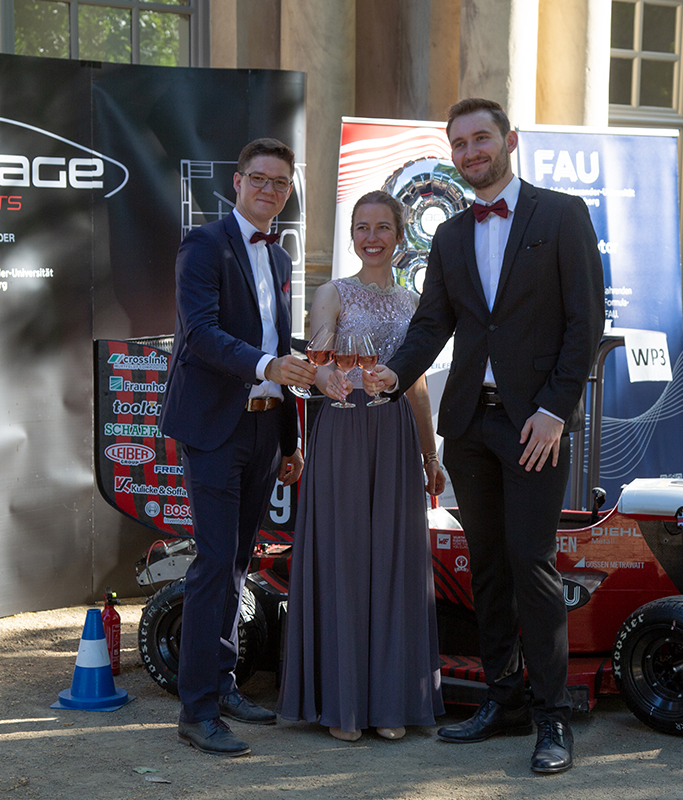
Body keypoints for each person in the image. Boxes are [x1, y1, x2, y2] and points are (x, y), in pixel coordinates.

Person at [366, 98, 604, 774]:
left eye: (481, 139)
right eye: (460, 143)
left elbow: (585, 323)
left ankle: (552, 718)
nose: (470, 152)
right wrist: (390, 376)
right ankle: (505, 701)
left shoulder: (562, 215)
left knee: (532, 565)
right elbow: (431, 325)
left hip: (535, 425)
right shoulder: (448, 235)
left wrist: (555, 409)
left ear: (510, 140)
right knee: (489, 567)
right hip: (470, 422)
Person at [159, 137, 317, 757]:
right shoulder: (203, 244)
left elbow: (278, 345)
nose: (269, 191)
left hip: (263, 429)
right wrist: (268, 366)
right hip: (215, 428)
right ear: (237, 181)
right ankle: (196, 711)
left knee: (238, 564)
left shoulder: (278, 258)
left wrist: (289, 439)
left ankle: (222, 684)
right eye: (260, 179)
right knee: (215, 562)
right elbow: (199, 334)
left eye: (280, 183)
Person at [276, 191, 446, 742]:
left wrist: (430, 454)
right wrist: (334, 378)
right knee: (345, 559)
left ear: (400, 235)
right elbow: (317, 367)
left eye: (382, 227)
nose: (372, 237)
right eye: (361, 228)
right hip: (344, 431)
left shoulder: (414, 301)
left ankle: (391, 702)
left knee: (395, 564)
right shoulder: (332, 292)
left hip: (395, 437)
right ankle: (343, 704)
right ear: (351, 236)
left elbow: (416, 386)